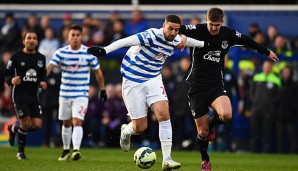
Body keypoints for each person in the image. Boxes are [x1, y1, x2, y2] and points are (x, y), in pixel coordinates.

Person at [87, 14, 212, 170]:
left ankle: (167, 159)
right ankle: (126, 131)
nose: (173, 32)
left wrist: (207, 44)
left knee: (164, 114)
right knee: (140, 127)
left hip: (153, 79)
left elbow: (197, 43)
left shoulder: (176, 39)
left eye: (176, 30)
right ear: (164, 26)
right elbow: (125, 41)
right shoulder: (152, 35)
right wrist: (105, 50)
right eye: (170, 28)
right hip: (133, 80)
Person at [178, 7, 278, 171]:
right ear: (206, 20)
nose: (214, 28)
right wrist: (182, 36)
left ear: (222, 22)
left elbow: (247, 40)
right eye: (211, 24)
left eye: (217, 25)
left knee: (226, 115)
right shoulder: (198, 30)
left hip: (216, 84)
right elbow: (178, 28)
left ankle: (212, 124)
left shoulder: (227, 34)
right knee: (202, 133)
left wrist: (266, 52)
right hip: (197, 87)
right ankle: (205, 159)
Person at [47, 25, 107, 161]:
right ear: (68, 36)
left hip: (81, 93)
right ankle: (66, 149)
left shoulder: (88, 52)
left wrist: (102, 89)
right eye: (72, 35)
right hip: (64, 93)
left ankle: (76, 150)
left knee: (77, 121)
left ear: (81, 36)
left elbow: (98, 72)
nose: (75, 37)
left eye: (77, 35)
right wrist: (41, 76)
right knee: (66, 123)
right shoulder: (61, 52)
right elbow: (50, 66)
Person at [5, 30, 47, 160]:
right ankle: (20, 153)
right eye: (29, 38)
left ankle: (14, 129)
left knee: (36, 125)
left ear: (37, 41)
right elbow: (7, 75)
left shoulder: (41, 58)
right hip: (19, 95)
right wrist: (11, 80)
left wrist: (42, 82)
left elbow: (42, 75)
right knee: (25, 122)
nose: (31, 40)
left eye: (34, 38)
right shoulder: (15, 57)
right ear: (24, 41)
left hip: (33, 96)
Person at [249, 60, 281, 153]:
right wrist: (254, 101)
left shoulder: (276, 79)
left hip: (268, 110)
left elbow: (279, 96)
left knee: (267, 132)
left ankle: (266, 152)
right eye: (265, 66)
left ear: (271, 67)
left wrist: (270, 104)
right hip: (256, 108)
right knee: (254, 131)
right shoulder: (257, 77)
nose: (267, 67)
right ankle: (254, 152)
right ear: (263, 67)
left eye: (268, 66)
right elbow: (251, 92)